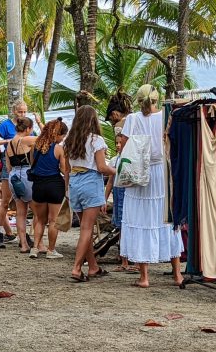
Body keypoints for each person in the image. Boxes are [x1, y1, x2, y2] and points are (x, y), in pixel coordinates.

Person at [120, 84, 184, 288]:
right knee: (166, 219)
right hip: (161, 173)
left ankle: (144, 277)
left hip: (139, 173)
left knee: (140, 219)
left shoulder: (132, 119)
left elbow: (123, 146)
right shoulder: (167, 116)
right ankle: (177, 275)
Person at [63, 104, 115, 282]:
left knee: (84, 229)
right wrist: (117, 171)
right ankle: (77, 268)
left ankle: (93, 267)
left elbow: (66, 168)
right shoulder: (96, 140)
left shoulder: (69, 141)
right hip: (91, 181)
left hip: (74, 183)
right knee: (87, 229)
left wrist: (67, 189)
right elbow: (101, 167)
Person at [0, 101, 38, 247]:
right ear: (14, 112)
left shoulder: (29, 128)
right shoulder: (6, 125)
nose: (22, 114)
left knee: (23, 204)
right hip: (9, 163)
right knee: (5, 201)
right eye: (20, 112)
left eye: (24, 111)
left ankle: (24, 236)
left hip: (25, 166)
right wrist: (6, 141)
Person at [29, 118, 68, 259]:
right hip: (54, 185)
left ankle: (35, 248)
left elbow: (33, 164)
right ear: (57, 134)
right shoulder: (58, 149)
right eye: (62, 135)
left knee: (40, 219)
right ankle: (51, 250)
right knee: (53, 220)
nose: (63, 138)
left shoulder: (35, 147)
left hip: (38, 185)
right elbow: (63, 169)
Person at [5, 117, 38, 254]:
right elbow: (46, 139)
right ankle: (38, 243)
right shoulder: (27, 140)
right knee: (38, 212)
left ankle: (23, 244)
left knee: (20, 213)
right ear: (28, 128)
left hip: (13, 176)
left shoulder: (9, 144)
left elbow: (8, 167)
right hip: (26, 175)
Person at [105, 129, 135, 272]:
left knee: (129, 225)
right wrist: (104, 198)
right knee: (120, 226)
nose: (118, 145)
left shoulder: (132, 160)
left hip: (128, 194)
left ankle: (130, 257)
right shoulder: (114, 160)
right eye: (116, 143)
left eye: (120, 142)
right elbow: (110, 182)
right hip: (118, 194)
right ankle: (123, 257)